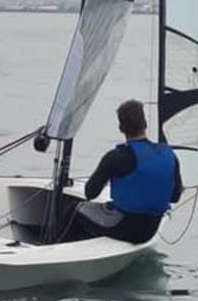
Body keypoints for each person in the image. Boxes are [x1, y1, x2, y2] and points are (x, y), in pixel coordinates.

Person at [74, 98, 182, 244]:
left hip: (124, 227)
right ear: (145, 124)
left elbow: (90, 193)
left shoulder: (116, 157)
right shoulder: (169, 154)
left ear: (121, 128)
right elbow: (175, 196)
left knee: (77, 209)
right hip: (151, 229)